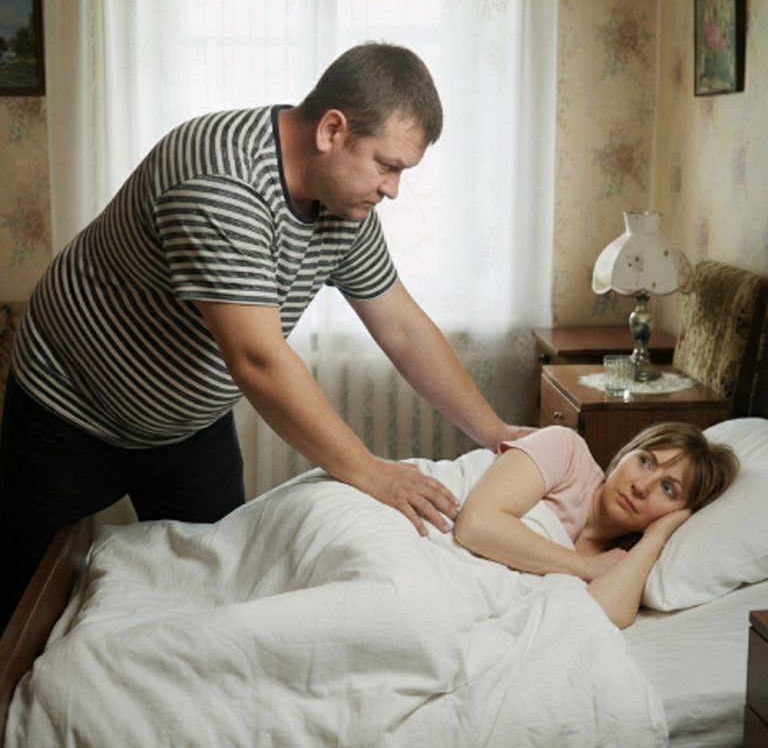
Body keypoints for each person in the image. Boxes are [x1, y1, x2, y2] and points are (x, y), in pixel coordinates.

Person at [0, 42, 532, 632]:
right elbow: (257, 360)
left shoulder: (344, 204)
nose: (392, 190)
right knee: (19, 596)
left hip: (189, 424)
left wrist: (495, 431)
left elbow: (403, 328)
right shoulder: (220, 178)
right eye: (388, 165)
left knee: (217, 584)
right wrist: (370, 471)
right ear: (332, 130)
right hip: (72, 409)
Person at [454, 421, 739, 628]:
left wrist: (658, 535)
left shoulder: (621, 561)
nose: (641, 486)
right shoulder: (568, 452)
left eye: (668, 489)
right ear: (626, 453)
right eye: (645, 462)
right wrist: (585, 566)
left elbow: (599, 618)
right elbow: (476, 525)